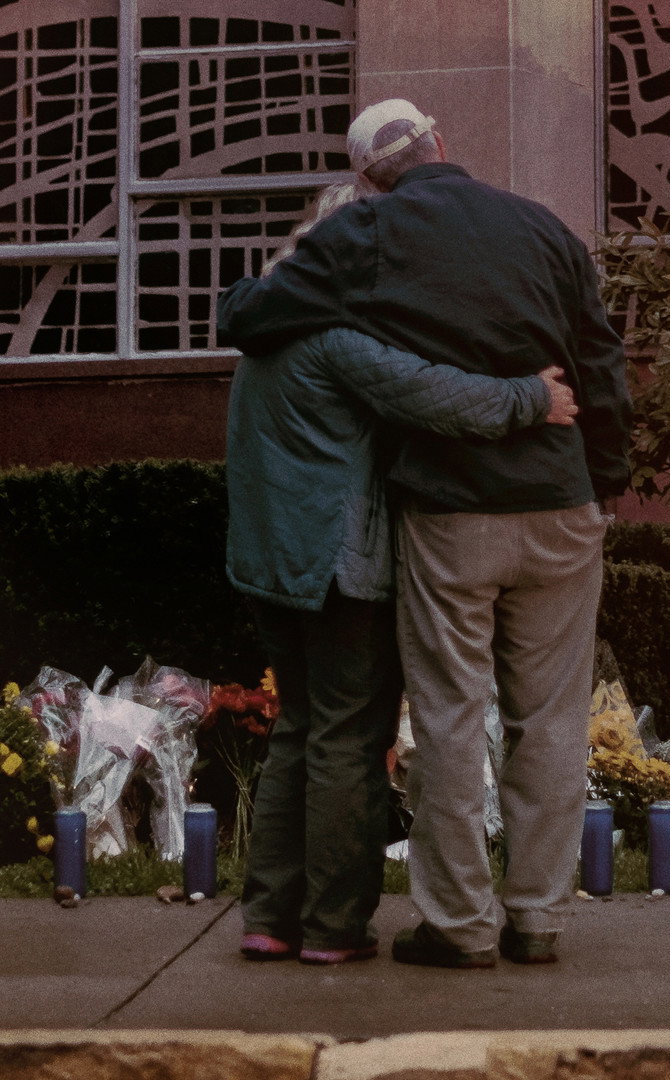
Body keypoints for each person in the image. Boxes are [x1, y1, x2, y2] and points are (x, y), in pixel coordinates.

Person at [218, 99, 632, 969]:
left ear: (367, 177)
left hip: (452, 511)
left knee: (448, 719)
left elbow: (248, 318)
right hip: (561, 505)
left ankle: (458, 925)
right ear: (443, 139)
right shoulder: (544, 227)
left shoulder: (365, 232)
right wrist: (602, 481)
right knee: (552, 723)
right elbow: (600, 358)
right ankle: (538, 919)